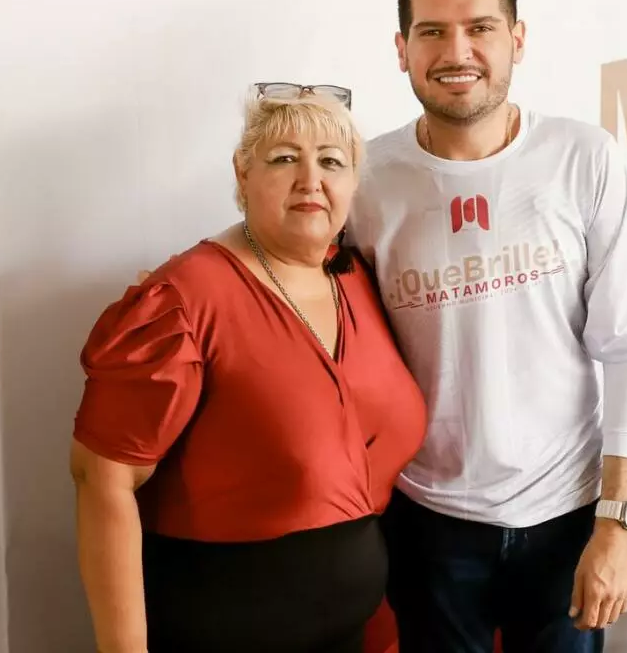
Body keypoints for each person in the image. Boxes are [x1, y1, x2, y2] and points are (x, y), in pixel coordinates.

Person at [342, 0, 627, 653]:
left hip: (569, 513)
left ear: (517, 38)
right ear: (402, 49)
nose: (458, 52)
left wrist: (617, 526)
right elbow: (293, 264)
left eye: (480, 28)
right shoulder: (364, 177)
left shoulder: (584, 157)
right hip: (427, 519)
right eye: (432, 31)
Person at [68, 84, 428, 653]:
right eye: (284, 158)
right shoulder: (185, 299)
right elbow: (102, 479)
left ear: (354, 182)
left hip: (356, 633)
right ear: (242, 172)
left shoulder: (359, 277)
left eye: (331, 162)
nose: (310, 179)